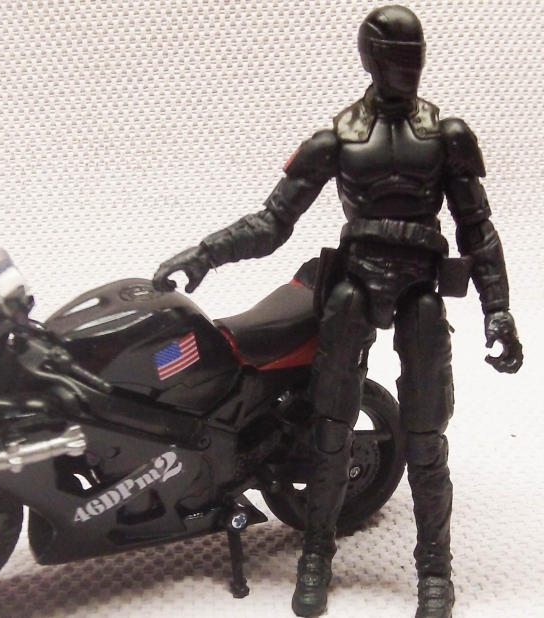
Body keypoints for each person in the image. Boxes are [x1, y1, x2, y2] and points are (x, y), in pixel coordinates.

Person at [151, 6, 522, 618]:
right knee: (329, 431)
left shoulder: (446, 136)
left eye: (416, 56)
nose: (409, 68)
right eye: (397, 57)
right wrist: (206, 253)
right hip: (352, 289)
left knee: (426, 438)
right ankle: (316, 555)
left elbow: (477, 229)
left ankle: (434, 568)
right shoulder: (338, 139)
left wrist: (498, 309)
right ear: (371, 59)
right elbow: (273, 222)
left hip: (420, 291)